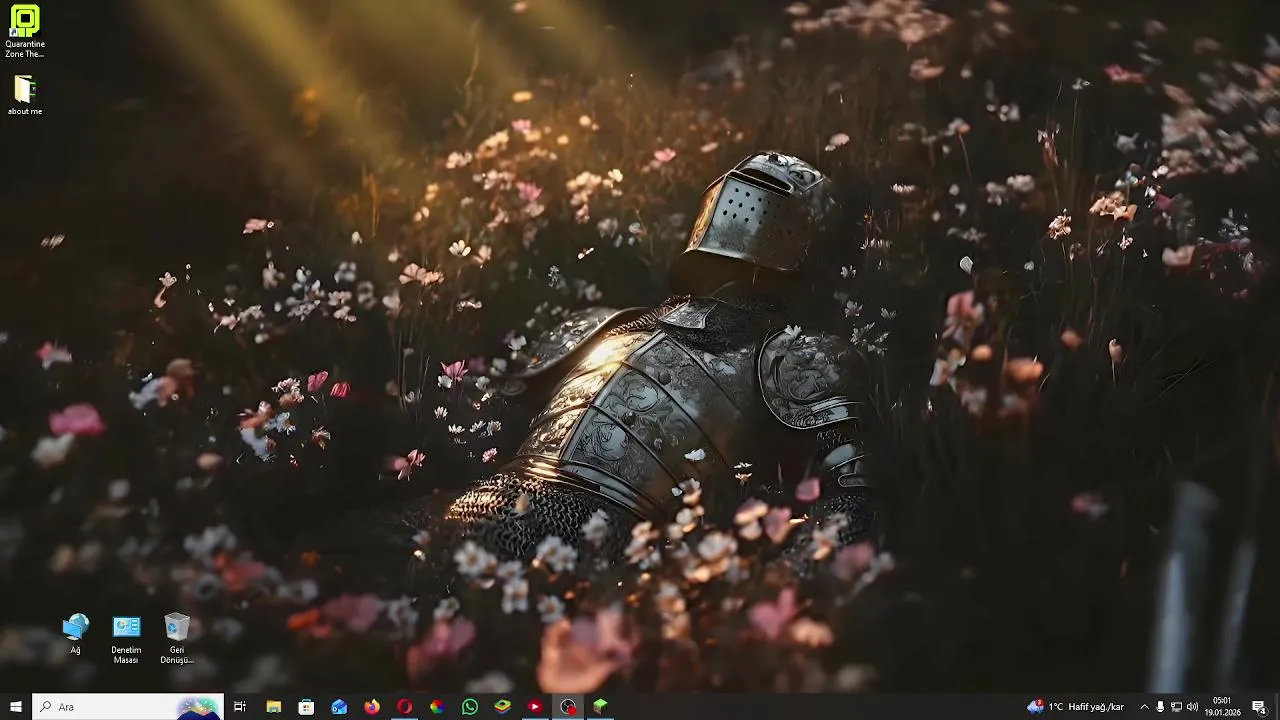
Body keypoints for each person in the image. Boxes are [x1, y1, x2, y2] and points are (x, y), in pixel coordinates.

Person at [443, 151, 875, 559]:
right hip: (586, 538)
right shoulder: (795, 356)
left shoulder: (602, 327)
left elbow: (482, 427)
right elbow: (851, 501)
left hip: (488, 516)